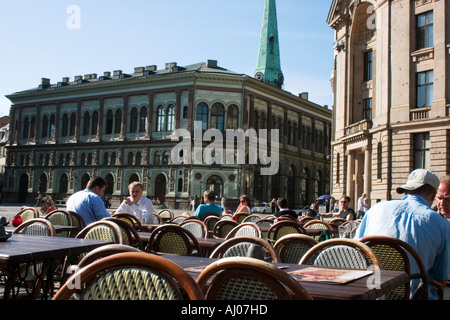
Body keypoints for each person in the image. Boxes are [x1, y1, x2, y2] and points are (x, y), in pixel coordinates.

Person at [354, 169, 450, 300]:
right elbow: (441, 281)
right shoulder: (442, 225)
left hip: (372, 293)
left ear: (405, 191)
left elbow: (356, 250)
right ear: (433, 196)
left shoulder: (374, 210)